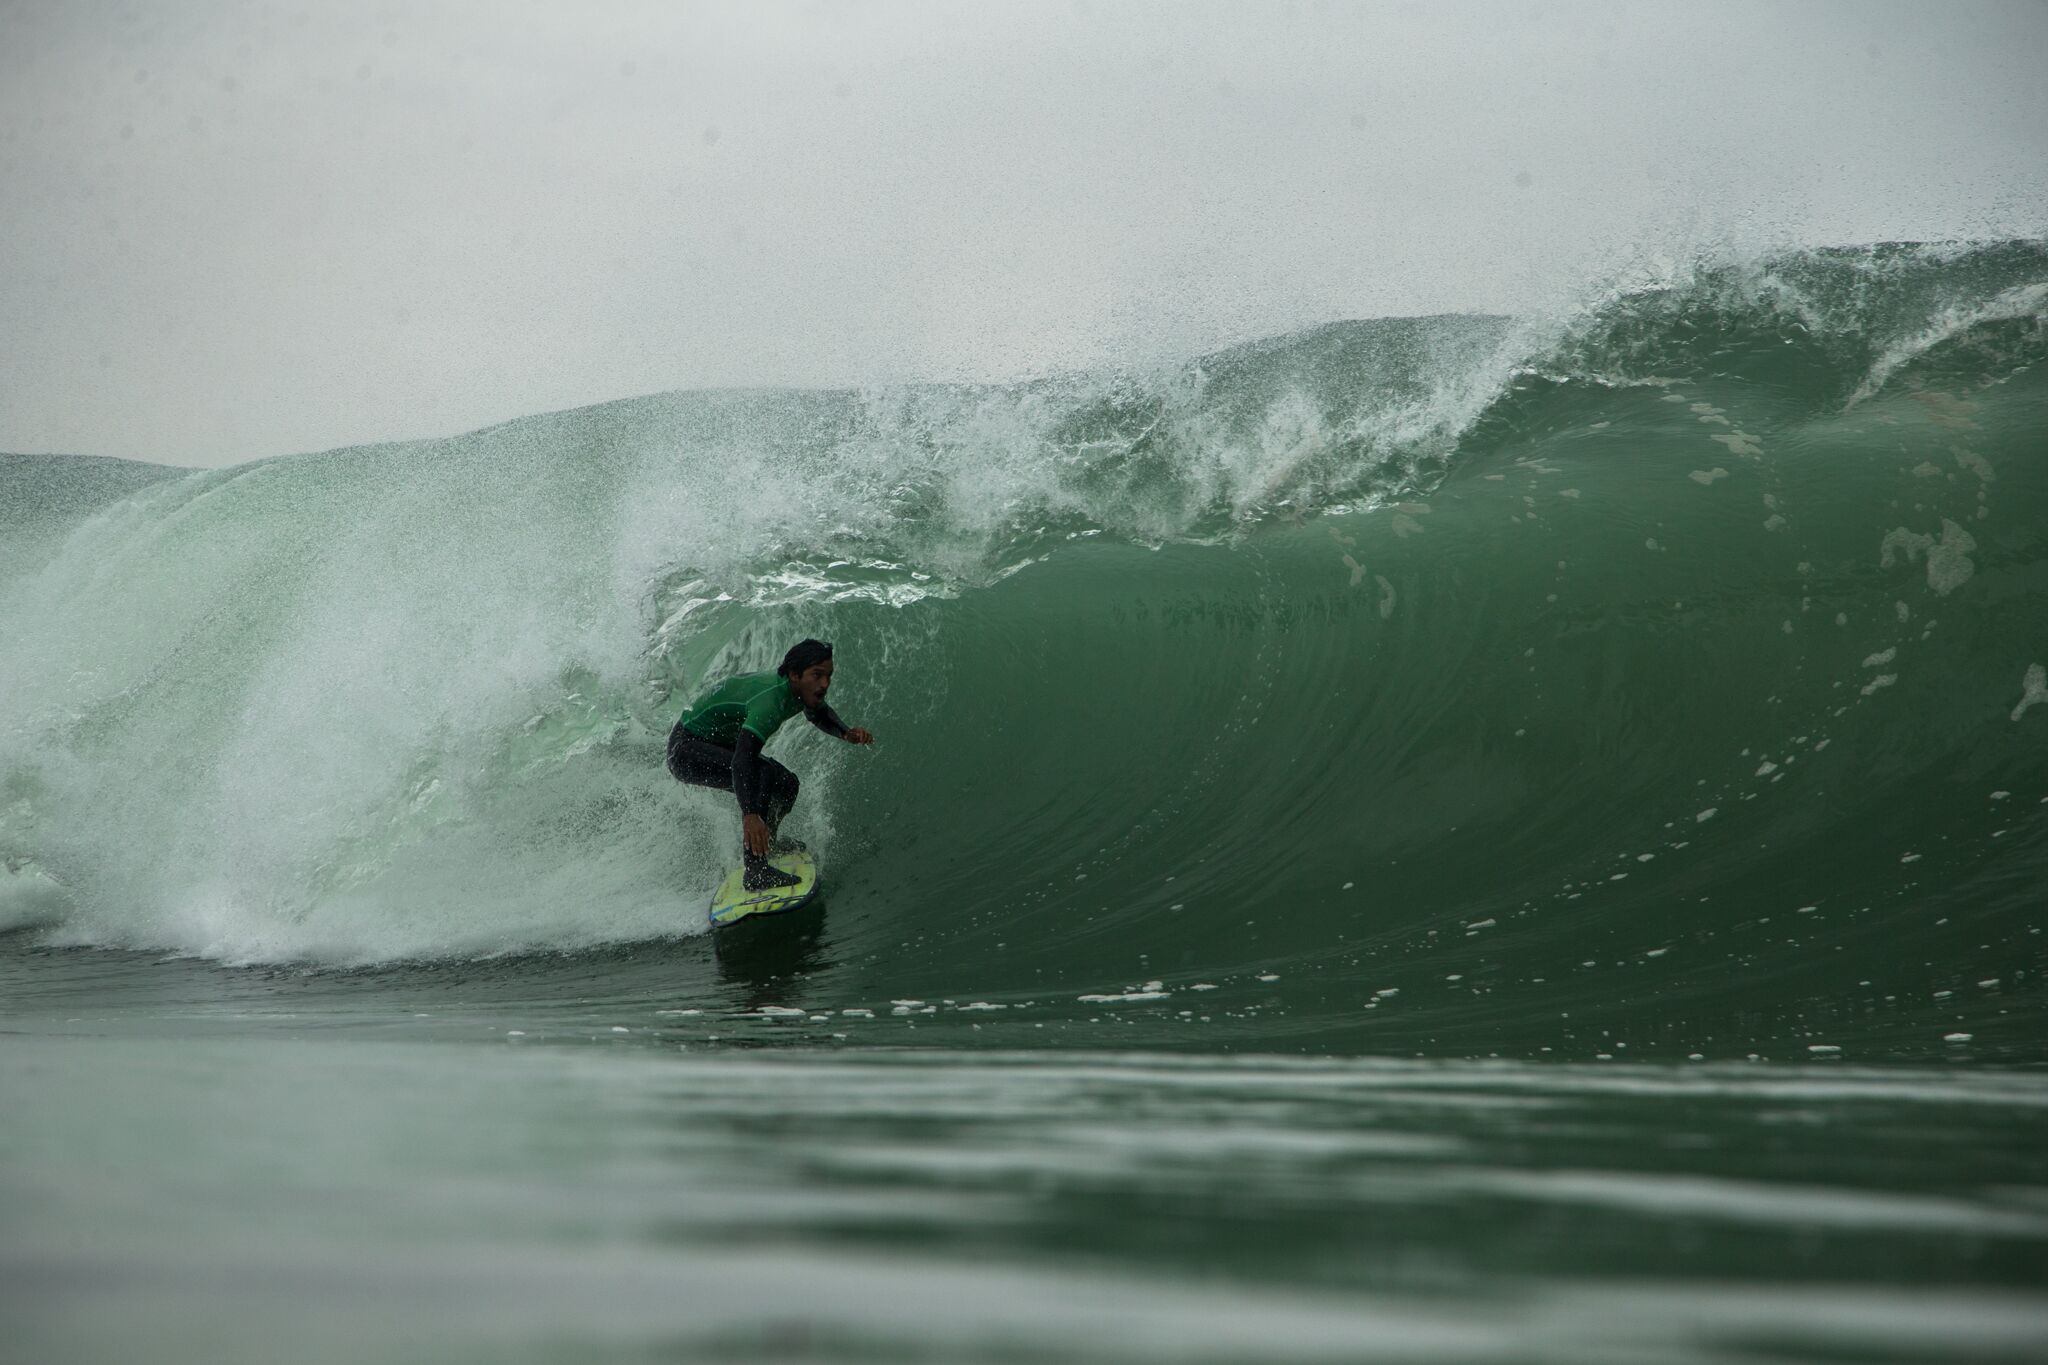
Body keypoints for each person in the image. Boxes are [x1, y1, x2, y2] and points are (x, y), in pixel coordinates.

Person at [667, 639, 874, 890]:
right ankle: (756, 871)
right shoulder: (771, 701)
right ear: (794, 675)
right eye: (817, 675)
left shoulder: (798, 691)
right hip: (686, 749)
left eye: (828, 676)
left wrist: (846, 733)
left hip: (713, 743)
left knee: (786, 783)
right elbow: (743, 761)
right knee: (761, 773)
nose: (824, 684)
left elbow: (818, 712)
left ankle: (768, 843)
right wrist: (750, 815)